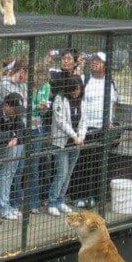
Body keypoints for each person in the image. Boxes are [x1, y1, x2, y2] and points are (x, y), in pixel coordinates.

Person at [72, 51, 118, 208]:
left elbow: (113, 103)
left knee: (98, 163)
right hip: (86, 128)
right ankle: (79, 195)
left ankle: (94, 196)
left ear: (105, 65)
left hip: (103, 128)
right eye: (94, 60)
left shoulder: (111, 83)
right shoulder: (85, 79)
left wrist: (110, 120)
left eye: (99, 61)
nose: (95, 62)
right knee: (82, 163)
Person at [48, 75, 86, 216]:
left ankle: (60, 200)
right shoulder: (60, 99)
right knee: (61, 173)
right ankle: (52, 202)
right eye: (74, 90)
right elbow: (60, 121)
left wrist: (81, 136)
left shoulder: (82, 100)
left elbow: (84, 121)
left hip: (76, 143)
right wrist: (74, 136)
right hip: (61, 143)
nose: (76, 93)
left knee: (68, 173)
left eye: (78, 90)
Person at [27, 68, 52, 214]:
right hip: (25, 127)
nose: (42, 80)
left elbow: (44, 109)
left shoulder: (46, 86)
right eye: (40, 76)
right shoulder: (27, 85)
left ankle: (34, 202)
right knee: (21, 165)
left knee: (36, 164)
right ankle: (17, 200)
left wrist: (44, 108)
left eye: (45, 77)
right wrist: (37, 107)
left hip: (38, 127)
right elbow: (26, 107)